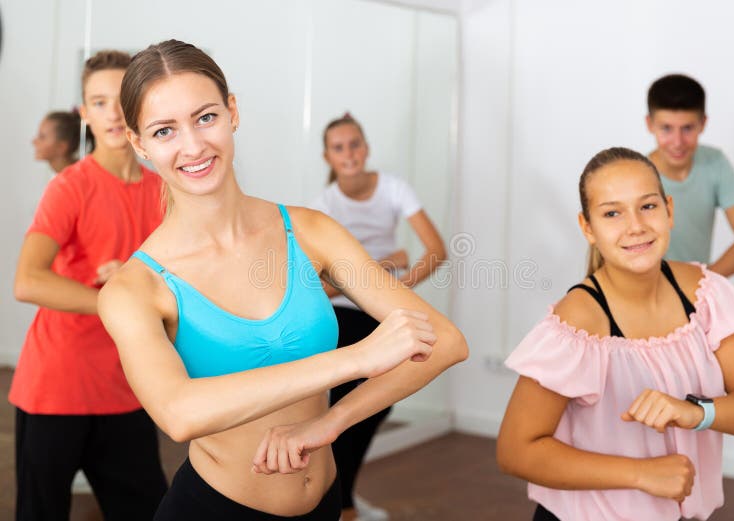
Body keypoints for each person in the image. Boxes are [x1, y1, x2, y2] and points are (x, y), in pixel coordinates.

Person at [98, 39, 468, 521]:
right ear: (139, 144)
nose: (192, 146)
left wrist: (332, 422)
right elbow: (179, 414)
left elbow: (446, 341)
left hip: (324, 502)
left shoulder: (312, 232)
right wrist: (355, 359)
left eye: (205, 117)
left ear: (232, 112)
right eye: (165, 130)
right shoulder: (133, 289)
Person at [496, 147, 734, 521]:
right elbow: (516, 450)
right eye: (612, 213)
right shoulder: (578, 320)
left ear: (669, 211)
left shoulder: (702, 293)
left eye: (647, 206)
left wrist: (695, 411)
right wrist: (640, 474)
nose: (635, 226)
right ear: (588, 228)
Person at [11, 50, 167, 520]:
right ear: (84, 114)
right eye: (98, 103)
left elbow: (181, 278)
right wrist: (117, 299)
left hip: (129, 386)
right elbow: (28, 281)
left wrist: (139, 280)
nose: (113, 113)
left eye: (121, 99)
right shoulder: (69, 187)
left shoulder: (165, 191)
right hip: (56, 388)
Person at [311, 113, 448, 521]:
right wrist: (385, 265)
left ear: (366, 148)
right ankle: (341, 504)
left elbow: (436, 250)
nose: (348, 153)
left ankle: (344, 499)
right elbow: (320, 286)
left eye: (354, 144)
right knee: (344, 412)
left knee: (374, 407)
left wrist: (394, 289)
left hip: (385, 311)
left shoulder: (393, 188)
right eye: (339, 147)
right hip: (341, 315)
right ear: (328, 156)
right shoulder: (324, 205)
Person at [645, 74, 734, 276]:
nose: (677, 142)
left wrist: (701, 284)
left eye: (687, 128)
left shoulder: (715, 163)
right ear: (650, 124)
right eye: (666, 128)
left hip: (696, 299)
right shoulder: (636, 175)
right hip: (646, 296)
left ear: (703, 123)